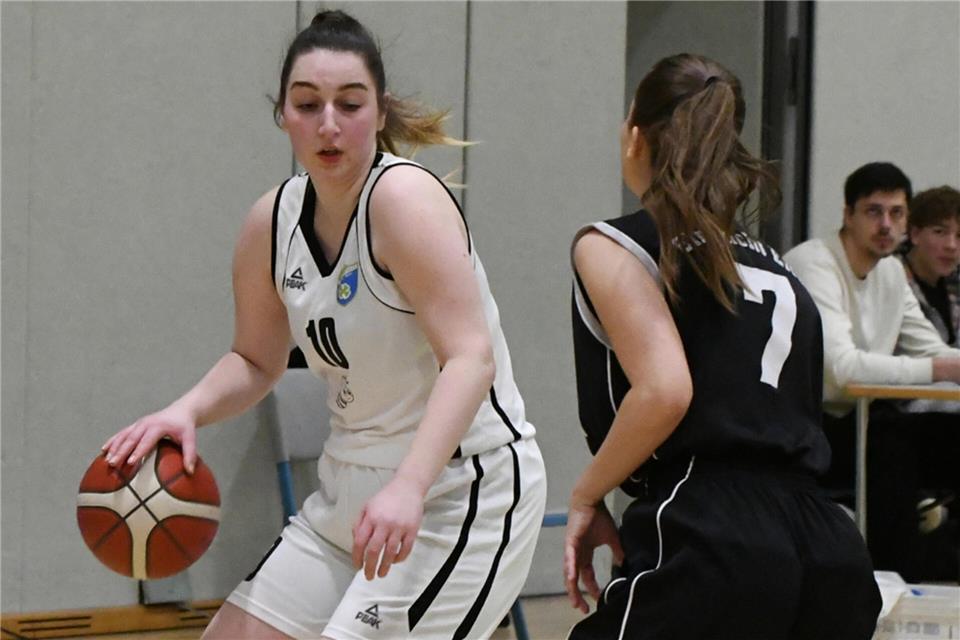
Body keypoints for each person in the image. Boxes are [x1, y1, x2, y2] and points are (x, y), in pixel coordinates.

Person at [102, 11, 546, 639]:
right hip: (348, 494)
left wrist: (409, 487)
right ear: (282, 113)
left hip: (455, 492)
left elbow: (471, 357)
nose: (328, 124)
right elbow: (257, 361)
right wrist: (187, 411)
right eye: (308, 104)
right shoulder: (271, 221)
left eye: (350, 103)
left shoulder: (404, 201)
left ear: (382, 111)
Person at [563, 53, 880, 640]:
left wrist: (586, 494)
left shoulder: (615, 243)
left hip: (711, 531)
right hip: (827, 544)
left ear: (635, 134)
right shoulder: (781, 269)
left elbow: (664, 390)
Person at [784, 163, 960, 581]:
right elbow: (841, 370)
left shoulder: (889, 273)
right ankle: (891, 577)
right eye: (873, 212)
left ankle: (939, 566)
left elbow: (932, 348)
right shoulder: (814, 263)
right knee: (890, 440)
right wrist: (941, 366)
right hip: (800, 428)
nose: (886, 225)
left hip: (858, 422)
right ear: (848, 215)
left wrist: (945, 364)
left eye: (896, 213)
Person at [899, 185, 960, 347]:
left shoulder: (955, 281)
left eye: (959, 235)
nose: (951, 245)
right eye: (940, 232)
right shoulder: (890, 279)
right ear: (915, 234)